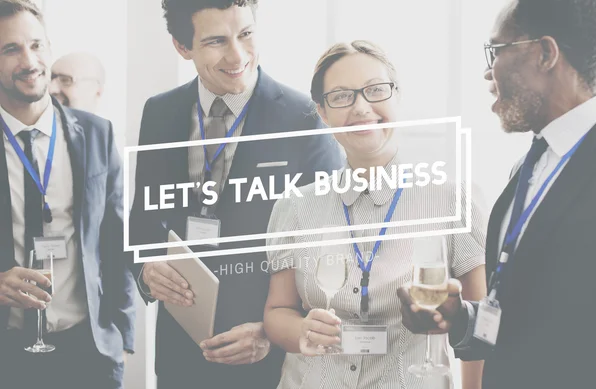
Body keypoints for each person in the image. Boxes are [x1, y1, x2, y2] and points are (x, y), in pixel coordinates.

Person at [128, 0, 342, 388]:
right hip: (180, 357)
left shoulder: (305, 119)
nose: (237, 55)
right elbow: (142, 222)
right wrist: (145, 270)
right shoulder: (159, 113)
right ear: (182, 47)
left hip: (269, 363)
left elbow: (330, 249)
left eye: (246, 34)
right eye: (216, 41)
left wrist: (272, 329)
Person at [397, 1, 596, 388]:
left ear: (544, 54)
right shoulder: (526, 168)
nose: (487, 72)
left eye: (496, 51)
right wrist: (459, 318)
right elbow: (525, 319)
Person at [263, 40, 488, 389]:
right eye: (341, 96)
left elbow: (479, 326)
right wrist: (301, 330)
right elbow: (277, 312)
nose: (361, 107)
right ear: (322, 112)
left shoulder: (452, 198)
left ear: (397, 96)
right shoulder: (294, 206)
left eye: (375, 90)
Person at [0, 1, 136, 389]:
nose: (30, 60)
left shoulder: (98, 134)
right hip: (6, 354)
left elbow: (116, 240)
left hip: (88, 352)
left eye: (37, 45)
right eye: (11, 49)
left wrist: (122, 341)